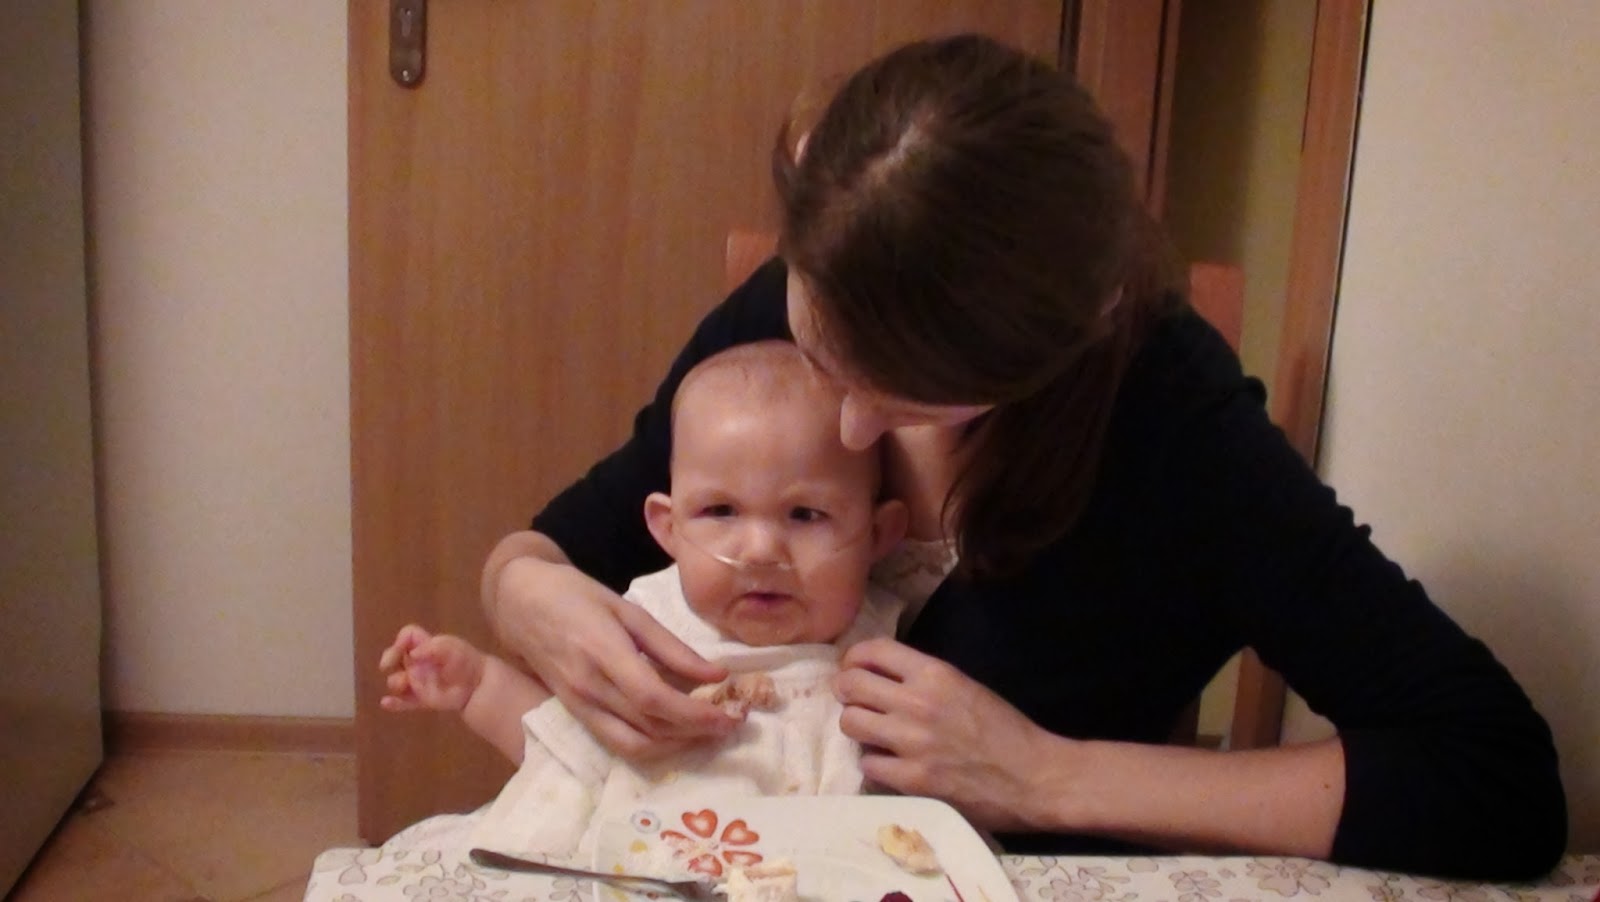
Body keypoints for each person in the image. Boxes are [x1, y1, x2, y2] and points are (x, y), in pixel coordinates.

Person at [476, 34, 1567, 881]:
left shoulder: (1176, 424)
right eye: (823, 352)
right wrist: (529, 598)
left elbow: (1494, 780)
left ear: (1072, 336)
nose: (851, 430)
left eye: (911, 392)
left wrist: (1051, 775)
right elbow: (556, 546)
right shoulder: (810, 279)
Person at [380, 340, 908, 859]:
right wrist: (479, 686)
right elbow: (567, 758)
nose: (760, 550)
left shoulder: (880, 668)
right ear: (668, 527)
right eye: (721, 511)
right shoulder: (645, 629)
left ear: (879, 534)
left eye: (806, 515)